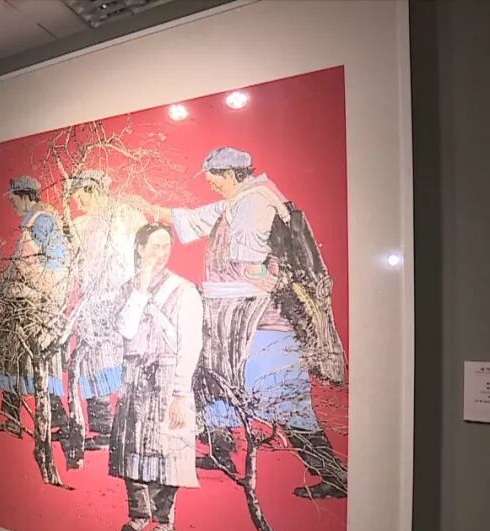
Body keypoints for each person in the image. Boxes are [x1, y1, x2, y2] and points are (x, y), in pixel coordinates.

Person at [135, 147, 347, 500]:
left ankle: (332, 475)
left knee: (282, 394)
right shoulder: (241, 199)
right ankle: (220, 451)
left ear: (232, 174)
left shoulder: (254, 204)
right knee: (214, 381)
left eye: (214, 179)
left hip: (259, 319)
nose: (212, 185)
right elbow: (198, 218)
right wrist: (152, 209)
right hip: (233, 317)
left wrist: (268, 282)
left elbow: (251, 266)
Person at [108, 223, 203, 531]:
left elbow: (190, 346)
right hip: (135, 378)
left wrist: (179, 394)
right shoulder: (128, 289)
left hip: (168, 378)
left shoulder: (184, 291)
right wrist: (141, 287)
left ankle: (164, 520)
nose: (161, 254)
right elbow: (125, 329)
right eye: (154, 247)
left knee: (167, 449)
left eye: (166, 247)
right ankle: (138, 513)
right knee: (132, 447)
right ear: (140, 248)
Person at [0, 175, 75, 454]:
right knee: (9, 355)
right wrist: (3, 292)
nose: (11, 203)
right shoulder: (31, 222)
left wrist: (33, 285)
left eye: (13, 198)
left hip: (35, 304)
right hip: (20, 301)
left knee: (33, 360)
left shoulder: (43, 221)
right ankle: (12, 416)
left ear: (25, 196)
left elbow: (56, 265)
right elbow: (17, 264)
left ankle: (58, 420)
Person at [65, 169, 146, 451]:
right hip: (93, 301)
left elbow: (145, 252)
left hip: (122, 298)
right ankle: (102, 427)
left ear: (94, 190)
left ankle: (132, 427)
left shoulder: (127, 215)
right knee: (91, 360)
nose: (78, 203)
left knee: (126, 359)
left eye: (80, 197)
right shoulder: (80, 224)